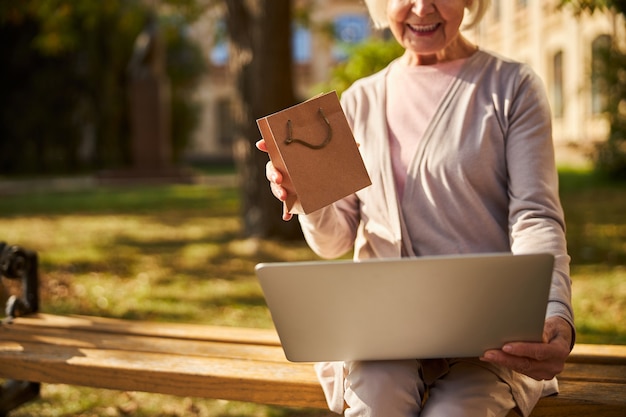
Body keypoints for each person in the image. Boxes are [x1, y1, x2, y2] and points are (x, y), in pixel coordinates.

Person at [256, 0, 574, 415]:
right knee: (378, 403)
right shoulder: (357, 102)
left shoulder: (512, 87)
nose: (422, 7)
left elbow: (535, 215)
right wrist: (308, 197)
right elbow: (334, 242)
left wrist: (554, 313)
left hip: (486, 336)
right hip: (379, 334)